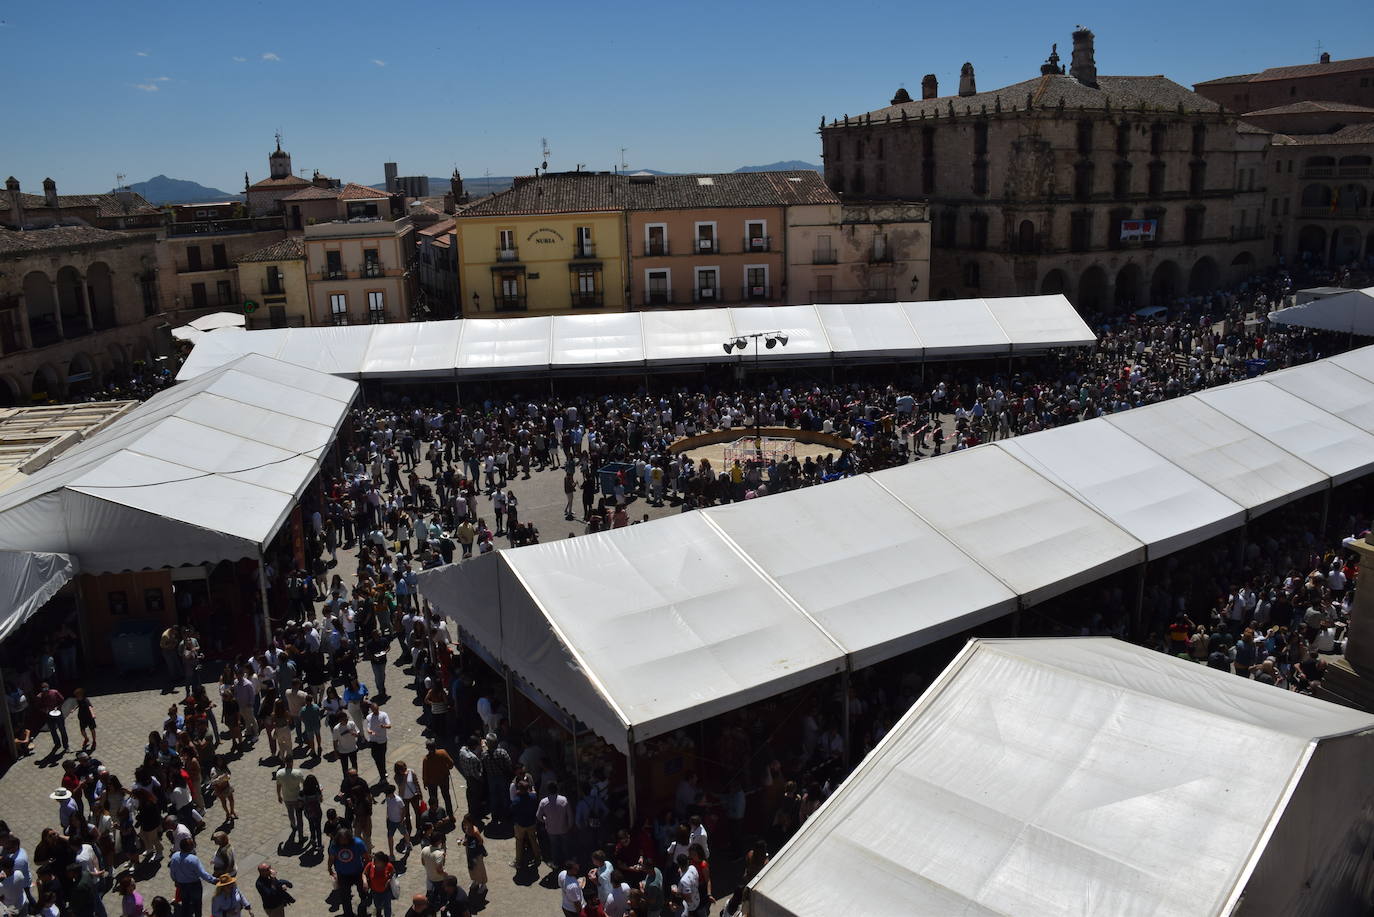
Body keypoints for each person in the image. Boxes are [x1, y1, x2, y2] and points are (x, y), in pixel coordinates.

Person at [168, 836, 216, 917]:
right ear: (189, 848)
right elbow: (202, 874)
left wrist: (175, 880)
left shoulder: (175, 856)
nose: (194, 845)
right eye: (192, 845)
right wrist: (213, 880)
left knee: (185, 903)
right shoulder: (193, 859)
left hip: (182, 885)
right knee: (197, 905)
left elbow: (172, 871)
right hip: (194, 886)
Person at [327, 827, 370, 917]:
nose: (343, 842)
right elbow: (331, 858)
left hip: (358, 872)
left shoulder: (357, 843)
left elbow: (366, 857)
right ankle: (348, 914)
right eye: (341, 840)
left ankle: (363, 912)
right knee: (345, 897)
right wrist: (330, 869)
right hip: (342, 874)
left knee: (363, 893)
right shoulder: (334, 845)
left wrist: (366, 871)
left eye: (345, 840)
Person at [539, 782, 574, 871]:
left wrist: (545, 820)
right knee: (565, 846)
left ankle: (556, 863)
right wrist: (569, 826)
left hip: (551, 830)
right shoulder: (564, 800)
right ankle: (567, 863)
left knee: (554, 847)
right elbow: (570, 815)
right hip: (564, 828)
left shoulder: (543, 802)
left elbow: (538, 816)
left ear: (548, 791)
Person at [274, 759, 307, 843]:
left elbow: (278, 786)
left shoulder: (280, 773)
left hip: (287, 798)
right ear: (292, 762)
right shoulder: (298, 773)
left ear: (285, 762)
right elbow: (304, 784)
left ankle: (293, 825)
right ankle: (301, 836)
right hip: (297, 799)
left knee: (290, 813)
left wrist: (279, 795)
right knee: (299, 817)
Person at [421, 741, 455, 816]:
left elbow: (425, 773)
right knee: (446, 796)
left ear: (427, 749)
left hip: (432, 782)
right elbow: (451, 764)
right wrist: (446, 768)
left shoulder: (426, 759)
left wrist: (425, 783)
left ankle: (436, 815)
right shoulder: (442, 753)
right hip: (444, 779)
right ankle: (450, 814)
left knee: (434, 799)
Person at [460, 814, 488, 900]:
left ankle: (483, 884)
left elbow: (481, 841)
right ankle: (475, 881)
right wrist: (464, 841)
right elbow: (467, 837)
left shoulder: (475, 831)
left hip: (476, 853)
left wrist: (473, 846)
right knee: (472, 867)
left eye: (466, 821)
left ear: (470, 822)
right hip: (469, 851)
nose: (464, 823)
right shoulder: (467, 828)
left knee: (479, 868)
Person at [364, 701, 392, 786]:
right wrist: (370, 732)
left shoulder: (384, 715)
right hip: (373, 740)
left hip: (382, 740)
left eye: (376, 710)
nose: (375, 712)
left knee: (381, 758)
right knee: (375, 757)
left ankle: (382, 775)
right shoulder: (369, 717)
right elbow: (368, 728)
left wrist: (383, 726)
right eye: (373, 710)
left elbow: (389, 725)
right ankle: (382, 771)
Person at [362, 851, 395, 917]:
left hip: (386, 891)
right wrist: (365, 882)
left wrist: (389, 880)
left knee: (387, 907)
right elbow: (364, 874)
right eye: (374, 860)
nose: (374, 862)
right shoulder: (370, 865)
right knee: (378, 905)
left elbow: (393, 873)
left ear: (383, 862)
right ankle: (378, 913)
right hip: (375, 892)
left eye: (377, 861)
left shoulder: (389, 866)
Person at [332, 710, 361, 777]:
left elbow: (358, 734)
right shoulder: (336, 729)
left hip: (353, 749)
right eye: (344, 719)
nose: (346, 720)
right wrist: (335, 752)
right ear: (340, 720)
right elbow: (335, 741)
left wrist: (354, 734)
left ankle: (355, 777)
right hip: (343, 751)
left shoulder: (351, 723)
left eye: (346, 718)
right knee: (345, 768)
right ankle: (346, 780)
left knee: (354, 765)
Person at [73, 687, 97, 751]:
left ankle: (94, 741)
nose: (77, 697)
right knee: (82, 730)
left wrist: (93, 714)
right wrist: (74, 709)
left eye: (77, 696)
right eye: (76, 696)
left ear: (81, 695)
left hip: (89, 717)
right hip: (82, 717)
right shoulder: (78, 700)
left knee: (92, 729)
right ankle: (86, 739)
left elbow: (90, 707)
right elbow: (78, 705)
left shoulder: (86, 700)